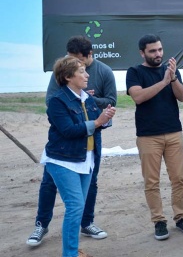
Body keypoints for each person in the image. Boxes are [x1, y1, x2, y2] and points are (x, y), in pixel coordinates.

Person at [28, 36, 117, 247]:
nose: (85, 73)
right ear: (68, 76)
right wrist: (89, 114)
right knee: (51, 185)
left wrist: (94, 107)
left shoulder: (104, 72)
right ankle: (42, 224)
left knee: (88, 186)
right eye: (71, 59)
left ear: (88, 56)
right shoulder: (64, 81)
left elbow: (109, 101)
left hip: (89, 143)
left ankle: (86, 224)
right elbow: (54, 104)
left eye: (79, 61)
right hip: (64, 149)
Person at [126, 34, 183, 240]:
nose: (158, 54)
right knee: (152, 181)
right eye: (152, 51)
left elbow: (182, 97)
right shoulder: (135, 72)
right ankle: (159, 221)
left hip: (174, 132)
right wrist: (163, 81)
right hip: (148, 136)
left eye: (159, 50)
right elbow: (138, 97)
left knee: (179, 178)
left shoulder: (171, 71)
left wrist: (172, 78)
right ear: (142, 53)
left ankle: (181, 217)